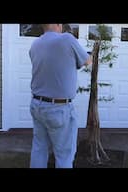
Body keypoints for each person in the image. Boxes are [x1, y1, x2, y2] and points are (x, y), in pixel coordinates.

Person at [29, 24, 92, 168]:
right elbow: (87, 61)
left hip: (37, 105)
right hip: (58, 109)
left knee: (39, 149)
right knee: (64, 155)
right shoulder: (67, 39)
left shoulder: (35, 44)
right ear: (58, 25)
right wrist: (91, 55)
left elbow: (54, 64)